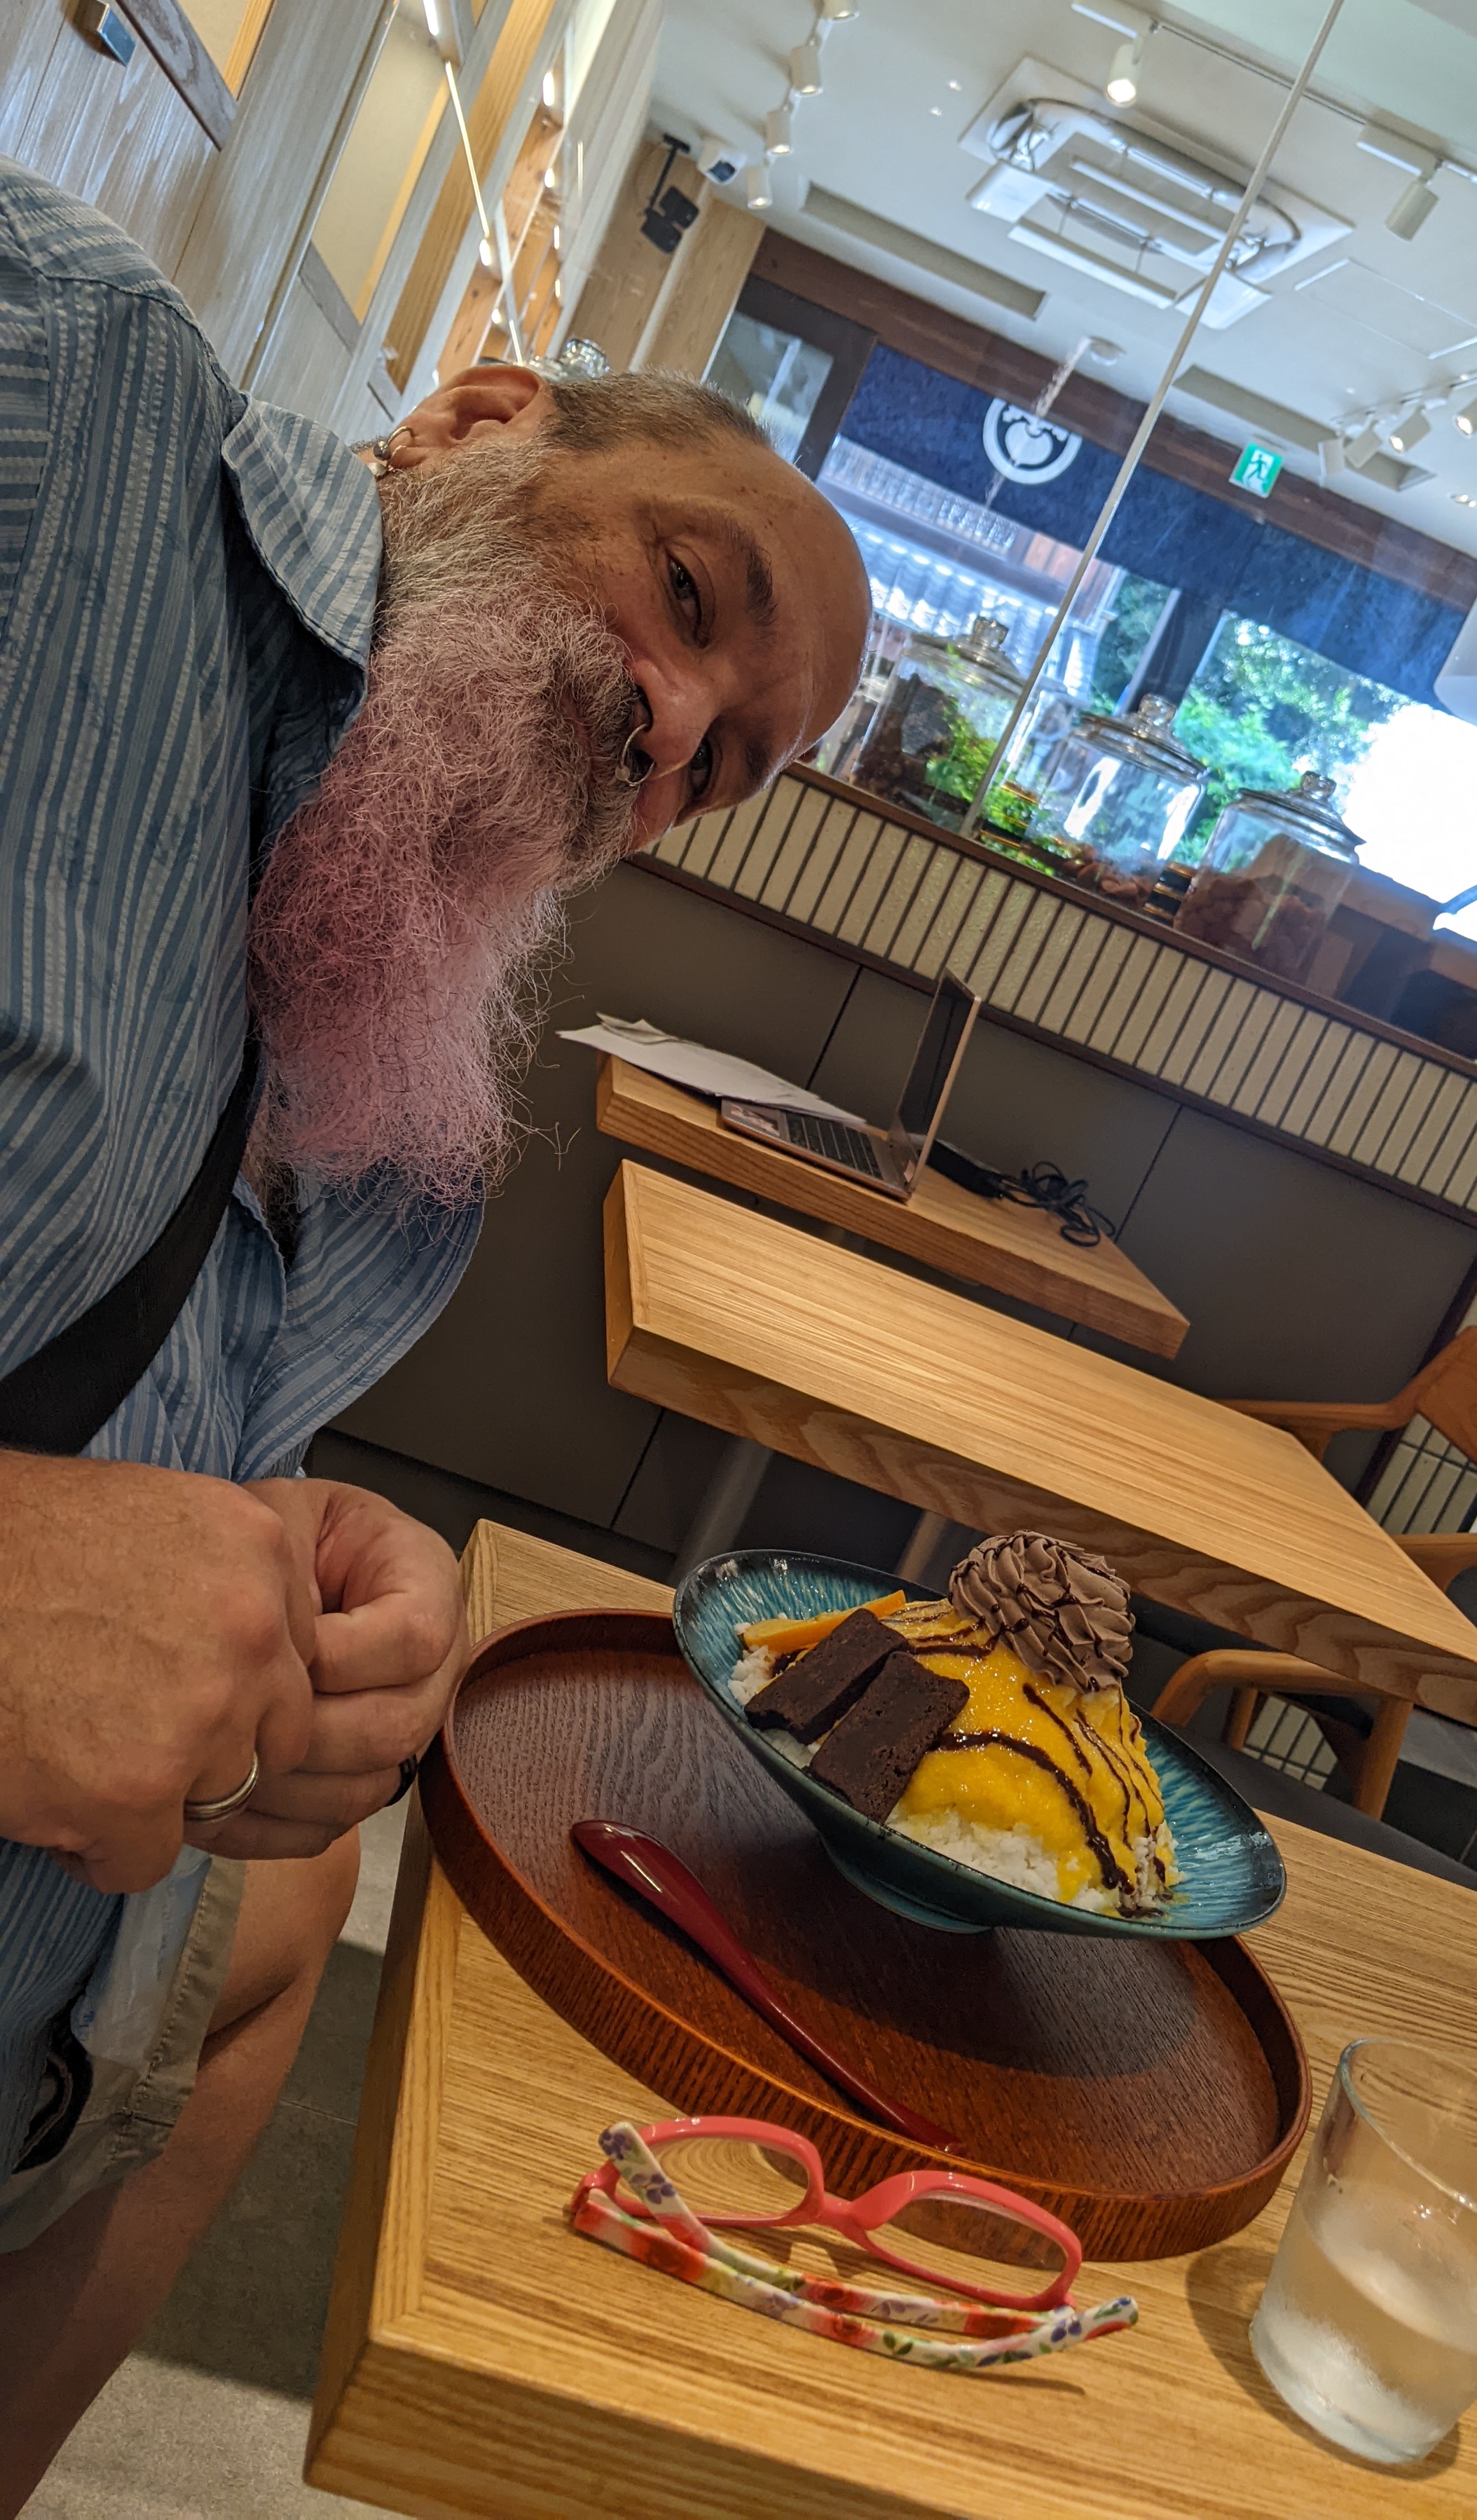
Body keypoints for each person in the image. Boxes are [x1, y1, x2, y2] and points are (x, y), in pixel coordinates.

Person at [0, 156, 870, 2502]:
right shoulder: (64, 389)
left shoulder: (398, 1128)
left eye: (726, 773)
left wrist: (298, 1595)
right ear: (479, 421)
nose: (668, 727)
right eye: (688, 593)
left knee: (291, 1904)